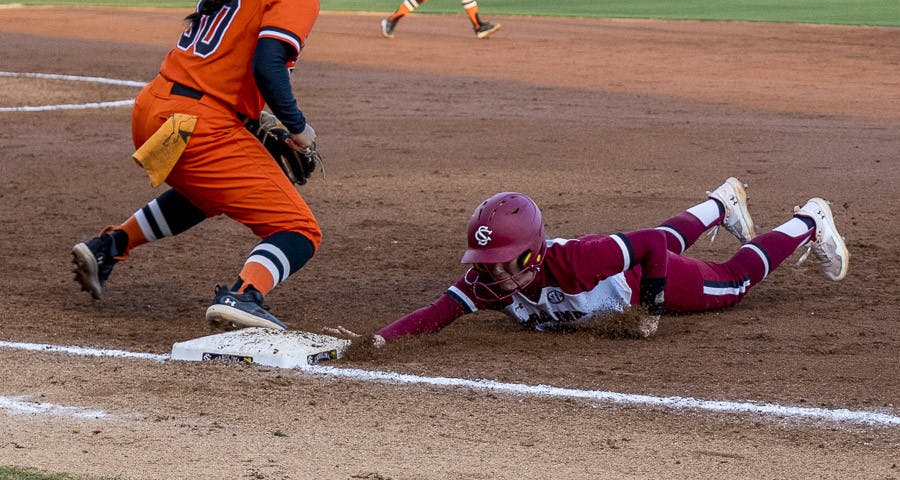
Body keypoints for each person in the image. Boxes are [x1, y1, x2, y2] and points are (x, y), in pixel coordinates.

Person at [71, 0, 334, 332]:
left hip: (156, 112)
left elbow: (222, 70)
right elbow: (269, 64)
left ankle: (109, 244)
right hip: (199, 125)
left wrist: (253, 120)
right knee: (299, 229)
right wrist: (299, 128)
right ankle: (245, 294)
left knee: (207, 195)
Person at [330, 178, 849, 346]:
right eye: (487, 262)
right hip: (627, 265)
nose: (495, 273)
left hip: (635, 280)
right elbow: (435, 313)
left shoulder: (574, 261)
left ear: (534, 251)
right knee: (670, 236)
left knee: (732, 282)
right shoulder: (487, 281)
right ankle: (721, 203)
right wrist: (376, 341)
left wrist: (649, 310)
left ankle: (810, 220)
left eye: (505, 261)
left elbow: (646, 246)